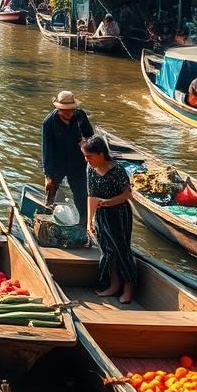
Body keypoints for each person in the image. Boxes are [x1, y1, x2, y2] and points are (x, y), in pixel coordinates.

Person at [82, 137, 137, 304]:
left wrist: (109, 202)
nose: (87, 159)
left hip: (119, 214)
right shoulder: (91, 169)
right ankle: (114, 285)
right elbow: (91, 195)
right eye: (85, 156)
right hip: (102, 214)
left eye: (90, 156)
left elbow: (127, 194)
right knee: (107, 251)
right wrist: (89, 221)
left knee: (121, 251)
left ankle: (128, 289)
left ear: (101, 154)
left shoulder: (117, 170)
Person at [40, 91, 95, 224]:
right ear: (58, 109)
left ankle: (84, 226)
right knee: (50, 195)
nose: (68, 114)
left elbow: (90, 135)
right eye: (65, 110)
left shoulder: (80, 116)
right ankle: (46, 222)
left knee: (81, 197)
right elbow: (47, 150)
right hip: (57, 164)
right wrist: (48, 175)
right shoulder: (48, 122)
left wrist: (86, 142)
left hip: (77, 164)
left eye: (71, 110)